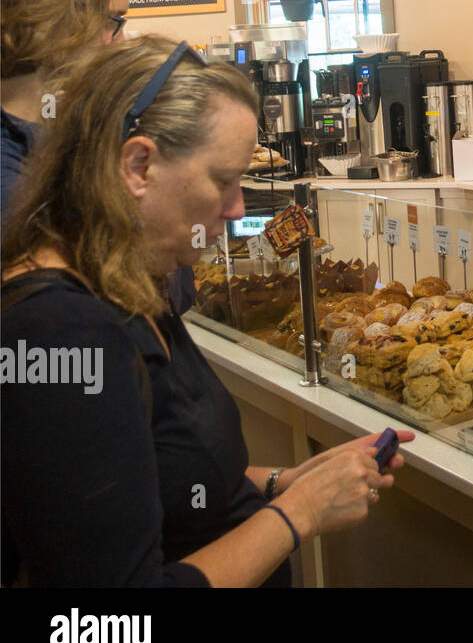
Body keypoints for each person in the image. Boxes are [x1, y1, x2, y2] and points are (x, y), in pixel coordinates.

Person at [1, 36, 410, 587]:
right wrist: (300, 513)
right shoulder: (64, 336)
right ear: (137, 165)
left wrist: (282, 482)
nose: (239, 206)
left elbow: (157, 482)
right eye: (222, 179)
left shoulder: (131, 287)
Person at [1, 0, 132, 223]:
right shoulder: (8, 178)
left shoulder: (52, 124)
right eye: (110, 20)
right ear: (44, 8)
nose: (118, 41)